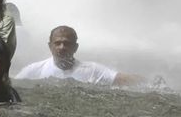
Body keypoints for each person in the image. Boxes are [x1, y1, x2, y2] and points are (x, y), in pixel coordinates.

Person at [15, 25, 143, 86]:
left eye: (66, 44)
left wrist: (153, 82)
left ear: (75, 47)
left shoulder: (92, 70)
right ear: (50, 46)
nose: (62, 47)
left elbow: (120, 78)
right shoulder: (35, 70)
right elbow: (12, 86)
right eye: (57, 43)